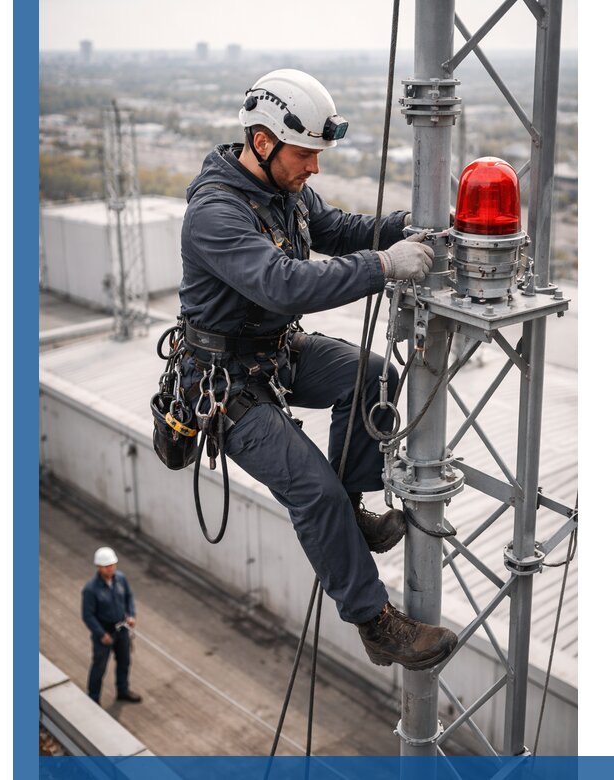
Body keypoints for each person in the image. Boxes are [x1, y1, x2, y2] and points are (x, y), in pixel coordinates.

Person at [179, 69, 457, 670]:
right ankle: (375, 622)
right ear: (263, 142)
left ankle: (351, 509)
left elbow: (335, 230)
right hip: (224, 382)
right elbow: (282, 284)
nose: (314, 167)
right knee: (313, 491)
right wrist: (384, 265)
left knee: (374, 375)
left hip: (274, 352)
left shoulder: (286, 193)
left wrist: (410, 226)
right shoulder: (215, 213)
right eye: (305, 154)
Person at [81, 547, 142, 704]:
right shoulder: (91, 590)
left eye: (113, 565)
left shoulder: (120, 579)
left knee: (124, 661)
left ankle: (123, 690)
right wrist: (101, 634)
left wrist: (131, 615)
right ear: (99, 567)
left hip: (121, 630)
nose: (111, 568)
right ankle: (93, 698)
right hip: (104, 634)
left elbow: (129, 597)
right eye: (107, 566)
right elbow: (88, 615)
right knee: (99, 667)